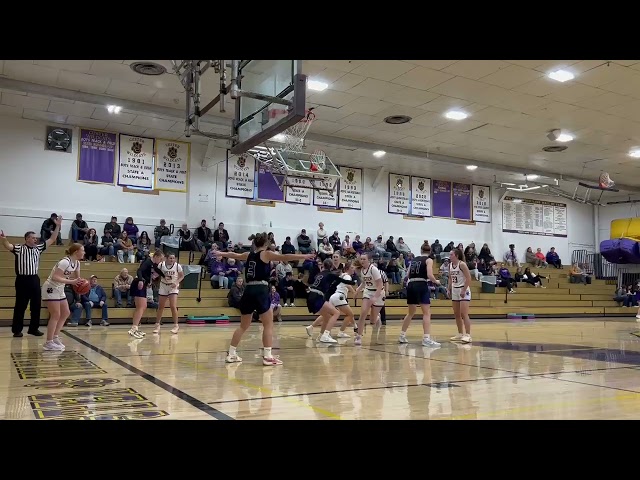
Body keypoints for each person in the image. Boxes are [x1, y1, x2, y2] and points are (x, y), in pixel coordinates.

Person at [215, 233, 313, 366]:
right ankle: (267, 356)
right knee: (268, 324)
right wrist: (304, 256)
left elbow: (234, 255)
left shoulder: (247, 255)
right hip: (261, 289)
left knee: (243, 326)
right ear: (266, 244)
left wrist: (220, 252)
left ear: (255, 243)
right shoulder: (266, 254)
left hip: (248, 290)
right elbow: (284, 257)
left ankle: (231, 354)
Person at [0, 216, 61, 338]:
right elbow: (8, 246)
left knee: (36, 305)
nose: (36, 239)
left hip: (34, 279)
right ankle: (17, 330)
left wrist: (58, 226)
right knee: (20, 306)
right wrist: (4, 239)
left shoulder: (38, 248)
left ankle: (33, 329)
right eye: (33, 238)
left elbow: (53, 238)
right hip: (22, 280)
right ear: (27, 239)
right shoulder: (19, 248)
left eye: (36, 238)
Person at [41, 243, 85, 351]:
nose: (84, 252)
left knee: (66, 313)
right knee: (56, 314)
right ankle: (48, 342)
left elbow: (77, 279)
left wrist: (82, 284)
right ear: (76, 252)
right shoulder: (64, 262)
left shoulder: (77, 263)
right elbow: (55, 277)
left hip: (60, 288)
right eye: (82, 250)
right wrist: (72, 281)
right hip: (51, 287)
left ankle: (55, 337)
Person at [398, 242, 441, 347]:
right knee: (426, 313)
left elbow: (407, 275)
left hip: (411, 284)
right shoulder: (429, 260)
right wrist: (436, 281)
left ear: (421, 250)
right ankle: (426, 338)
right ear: (430, 251)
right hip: (421, 284)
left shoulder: (414, 259)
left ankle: (402, 335)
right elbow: (430, 275)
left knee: (411, 312)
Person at [306, 259, 356, 344]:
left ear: (323, 266)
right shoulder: (330, 274)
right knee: (336, 313)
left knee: (327, 316)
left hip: (310, 296)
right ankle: (326, 335)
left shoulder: (319, 274)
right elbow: (344, 281)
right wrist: (353, 282)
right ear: (332, 266)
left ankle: (321, 335)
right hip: (317, 297)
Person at [129, 251, 166, 339]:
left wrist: (165, 276)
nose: (161, 261)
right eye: (160, 259)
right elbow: (139, 270)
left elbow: (157, 270)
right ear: (156, 256)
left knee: (143, 306)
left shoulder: (153, 264)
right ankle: (133, 328)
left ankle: (135, 327)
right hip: (139, 283)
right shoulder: (148, 261)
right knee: (141, 307)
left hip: (143, 284)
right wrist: (141, 280)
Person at [354, 254, 384, 346]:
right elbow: (364, 282)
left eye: (364, 259)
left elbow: (380, 284)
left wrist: (375, 297)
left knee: (372, 321)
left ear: (369, 260)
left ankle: (377, 318)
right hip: (367, 292)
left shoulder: (373, 269)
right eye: (361, 259)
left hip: (378, 293)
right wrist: (358, 290)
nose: (362, 260)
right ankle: (358, 336)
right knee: (363, 313)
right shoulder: (362, 270)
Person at [153, 253, 184, 335]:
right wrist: (154, 276)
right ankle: (157, 325)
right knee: (160, 306)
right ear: (166, 258)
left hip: (173, 286)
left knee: (173, 306)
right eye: (170, 258)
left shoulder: (177, 266)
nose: (172, 260)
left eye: (173, 258)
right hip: (163, 286)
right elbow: (157, 272)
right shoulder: (161, 264)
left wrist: (176, 282)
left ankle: (176, 326)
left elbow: (181, 276)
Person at [449, 248, 473, 344]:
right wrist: (449, 288)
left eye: (451, 255)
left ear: (457, 256)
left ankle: (468, 335)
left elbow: (469, 278)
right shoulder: (450, 265)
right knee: (456, 314)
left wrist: (463, 290)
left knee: (464, 313)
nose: (450, 256)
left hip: (463, 289)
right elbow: (450, 278)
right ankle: (460, 333)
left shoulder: (462, 264)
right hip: (455, 289)